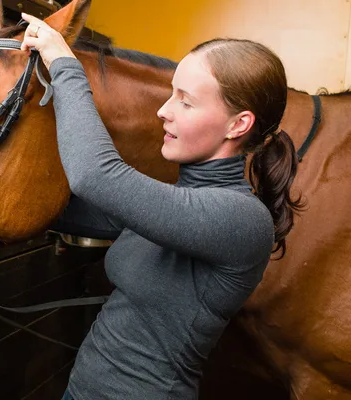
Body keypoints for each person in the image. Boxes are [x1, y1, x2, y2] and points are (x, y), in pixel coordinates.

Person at [20, 12, 303, 400]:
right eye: (172, 93)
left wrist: (64, 63)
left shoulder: (240, 219)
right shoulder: (175, 200)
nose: (163, 111)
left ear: (238, 125)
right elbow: (73, 206)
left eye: (185, 102)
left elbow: (94, 176)